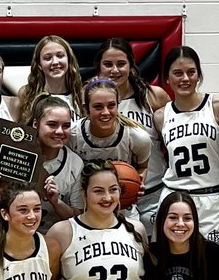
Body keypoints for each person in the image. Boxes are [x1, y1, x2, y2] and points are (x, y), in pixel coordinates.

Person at [154, 46, 219, 251]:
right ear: (167, 78)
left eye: (191, 72)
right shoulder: (161, 116)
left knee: (216, 265)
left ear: (199, 75)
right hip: (174, 197)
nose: (185, 78)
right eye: (178, 73)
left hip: (211, 199)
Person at [94, 39, 171, 237]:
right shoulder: (90, 99)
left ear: (131, 65)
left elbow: (172, 142)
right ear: (98, 66)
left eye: (121, 64)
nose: (115, 70)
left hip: (153, 192)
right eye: (108, 64)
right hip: (110, 198)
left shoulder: (153, 96)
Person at [67, 79, 151, 224]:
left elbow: (143, 166)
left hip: (123, 210)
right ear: (85, 109)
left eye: (111, 105)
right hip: (84, 211)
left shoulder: (137, 137)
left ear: (118, 105)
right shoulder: (72, 136)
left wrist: (137, 183)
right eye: (98, 107)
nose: (105, 112)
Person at [29, 95, 84, 232]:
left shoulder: (75, 163)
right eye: (52, 124)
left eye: (66, 126)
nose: (60, 131)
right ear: (36, 124)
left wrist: (56, 202)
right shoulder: (18, 153)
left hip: (54, 236)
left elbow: (78, 216)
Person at [16, 36, 86, 122]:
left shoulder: (81, 93)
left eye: (60, 56)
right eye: (48, 58)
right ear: (39, 65)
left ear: (69, 59)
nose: (55, 62)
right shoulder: (26, 93)